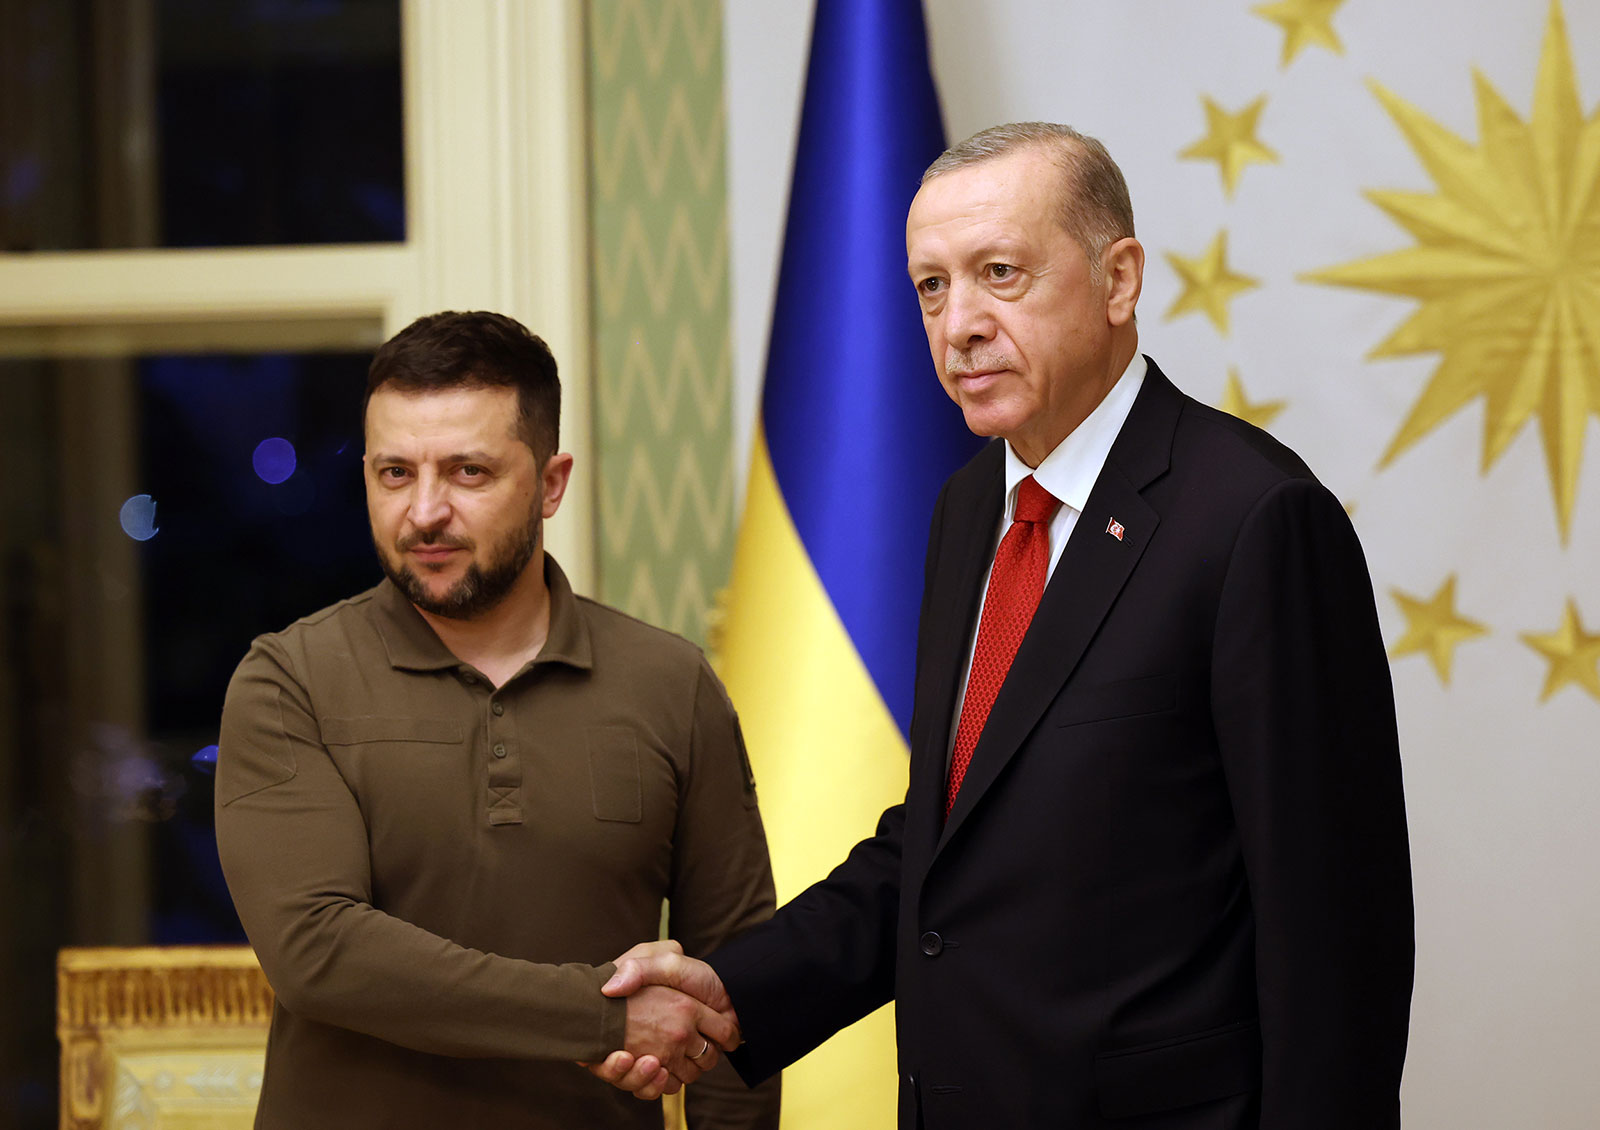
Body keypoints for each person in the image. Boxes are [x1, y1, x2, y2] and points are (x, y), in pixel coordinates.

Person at [592, 123, 1414, 1128]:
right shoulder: (967, 507)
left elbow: (1335, 937)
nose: (959, 323)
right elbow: (947, 845)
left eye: (998, 273)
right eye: (931, 286)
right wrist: (740, 987)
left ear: (1119, 280)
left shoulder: (1253, 519)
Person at [215, 311, 780, 1129]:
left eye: (468, 473)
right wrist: (603, 1013)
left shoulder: (671, 683)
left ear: (551, 482)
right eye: (394, 473)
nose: (424, 512)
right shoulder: (289, 680)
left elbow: (736, 981)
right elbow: (321, 953)